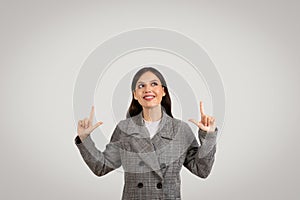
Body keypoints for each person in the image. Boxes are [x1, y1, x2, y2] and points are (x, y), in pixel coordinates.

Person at [75, 67, 218, 200]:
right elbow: (101, 167)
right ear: (135, 95)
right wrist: (84, 138)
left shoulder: (181, 129)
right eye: (141, 86)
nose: (148, 89)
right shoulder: (125, 128)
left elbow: (201, 170)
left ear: (163, 91)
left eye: (154, 84)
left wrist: (208, 136)